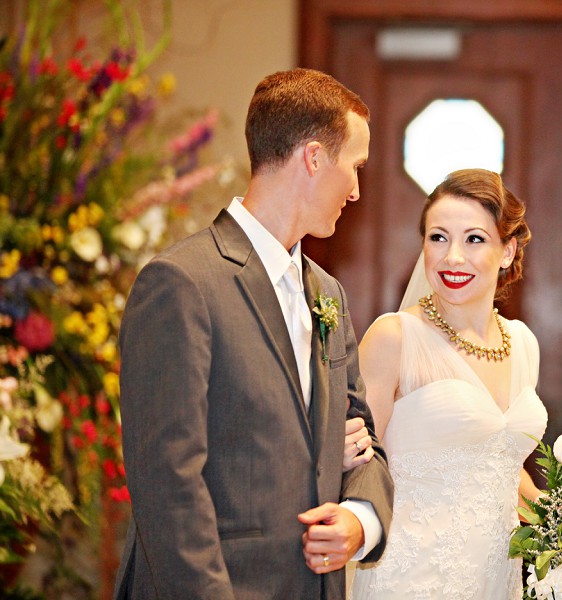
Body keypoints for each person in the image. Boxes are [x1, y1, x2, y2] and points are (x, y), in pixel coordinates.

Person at [113, 68, 393, 600]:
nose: (356, 190)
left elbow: (363, 441)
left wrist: (360, 520)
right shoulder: (182, 283)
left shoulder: (327, 294)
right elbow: (168, 484)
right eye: (355, 167)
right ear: (313, 158)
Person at [349, 169, 562, 599]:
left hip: (496, 578)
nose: (453, 257)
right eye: (438, 238)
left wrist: (549, 509)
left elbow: (497, 468)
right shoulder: (395, 338)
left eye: (474, 239)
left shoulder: (523, 344)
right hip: (410, 576)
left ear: (507, 250)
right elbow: (359, 470)